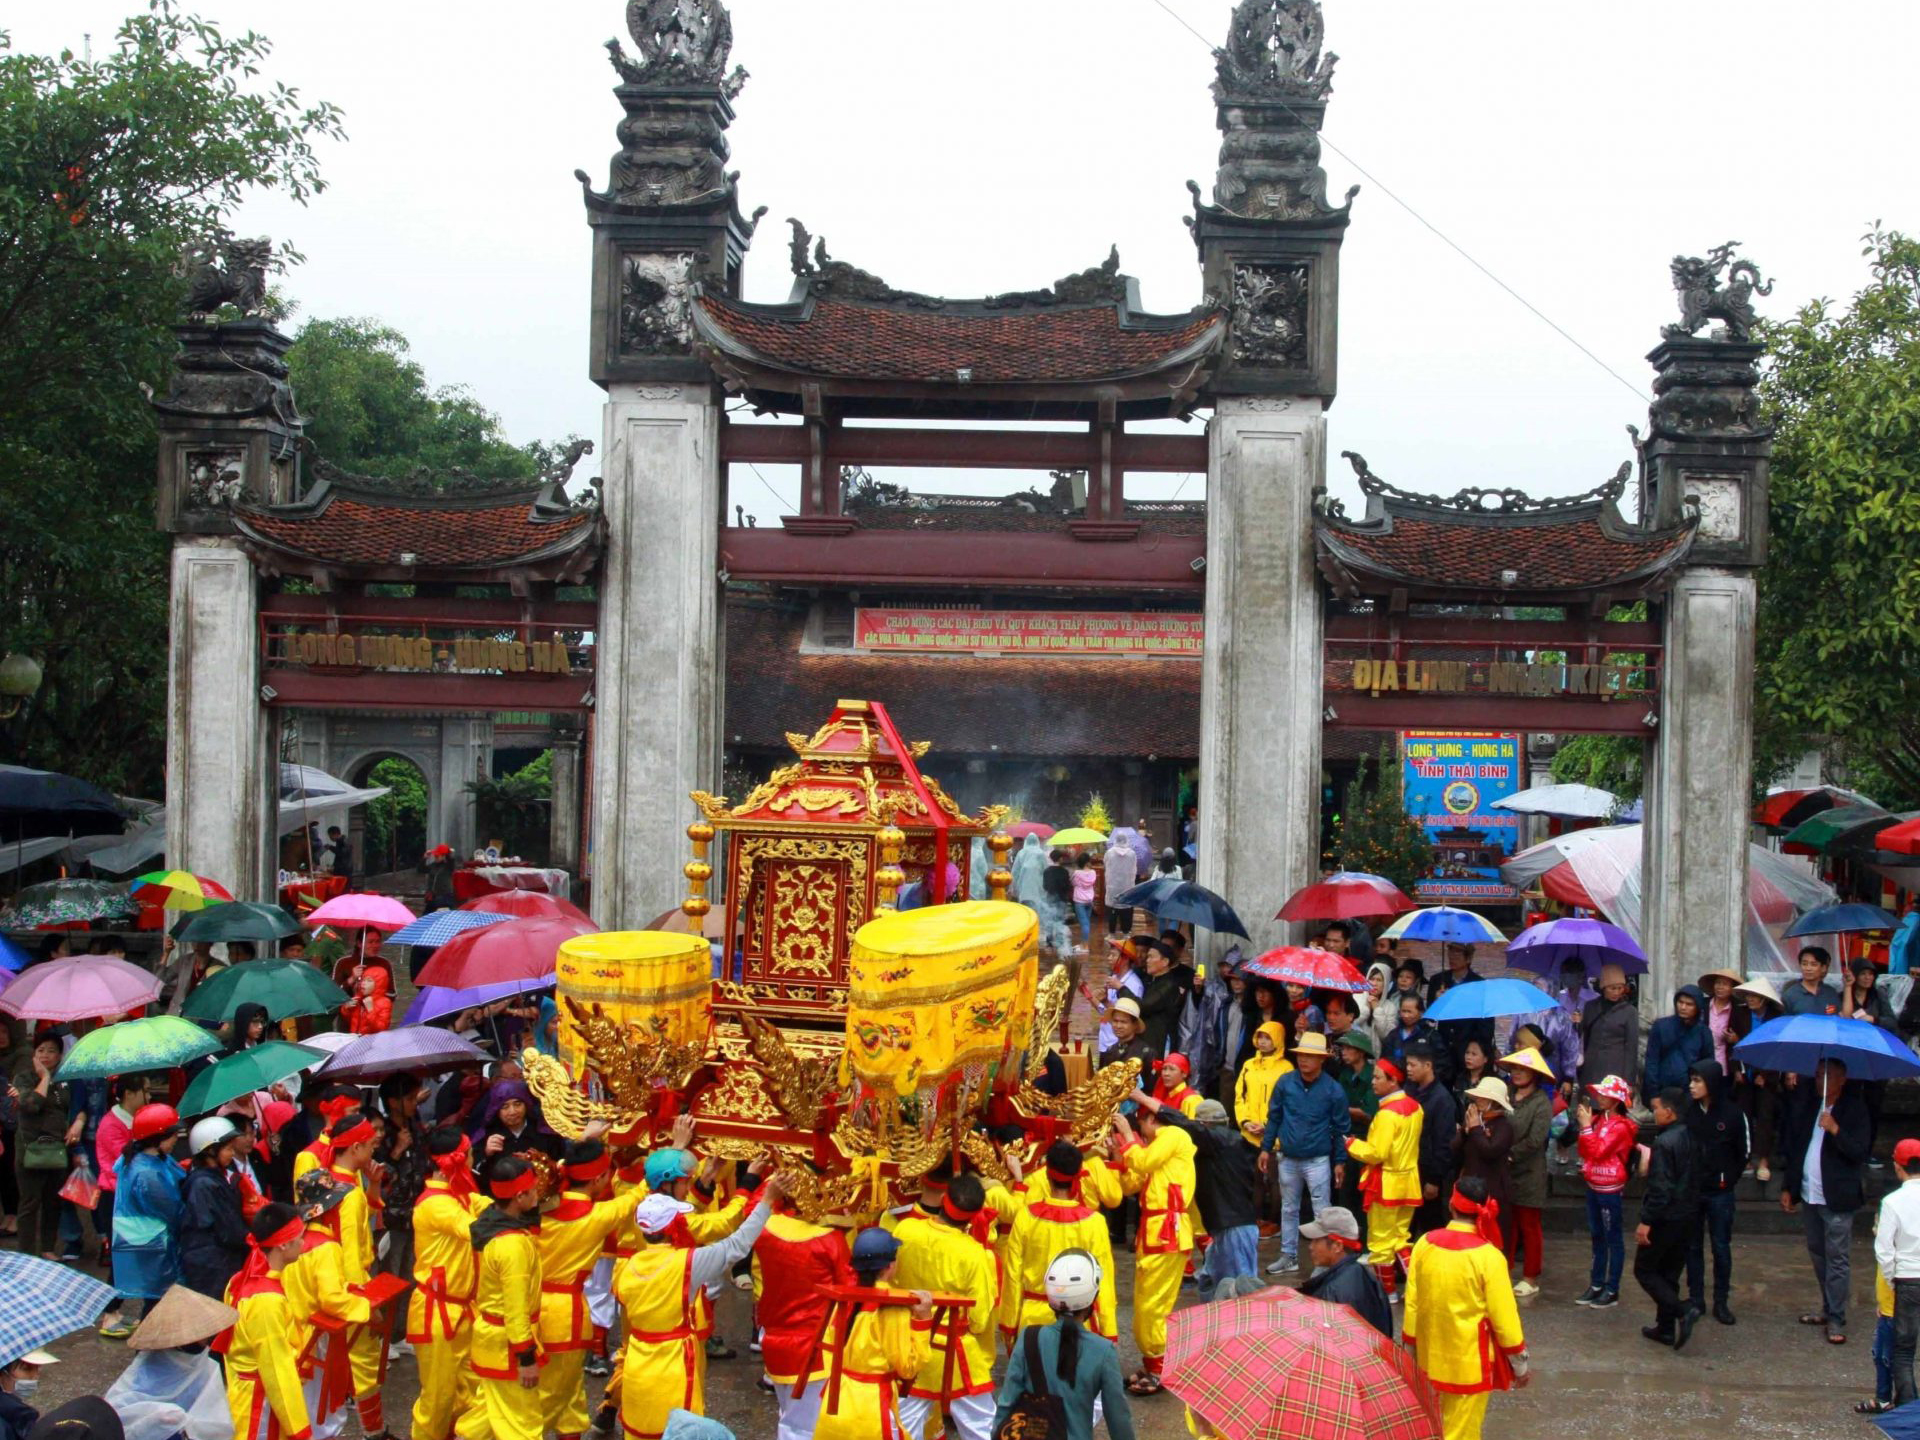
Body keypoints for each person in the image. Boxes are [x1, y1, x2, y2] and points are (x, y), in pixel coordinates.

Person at [613, 1157, 779, 1440]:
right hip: (673, 1365)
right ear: (673, 1226)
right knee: (680, 1430)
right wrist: (766, 1201)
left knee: (639, 1431)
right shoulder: (687, 1264)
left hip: (637, 1365)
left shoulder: (627, 1267)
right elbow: (737, 1244)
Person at [1402, 1176, 1530, 1440]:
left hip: (1429, 1357)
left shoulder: (1425, 1244)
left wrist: (1410, 1350)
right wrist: (1519, 1364)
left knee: (1432, 1429)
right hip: (1470, 1363)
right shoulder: (1489, 1256)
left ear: (1452, 1205)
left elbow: (1412, 1304)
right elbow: (1505, 1319)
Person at [992, 1249, 1135, 1440]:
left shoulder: (1028, 1337)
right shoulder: (1103, 1350)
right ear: (1093, 1298)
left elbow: (1007, 1401)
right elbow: (1118, 1419)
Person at [751, 1183, 855, 1440]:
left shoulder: (765, 1228)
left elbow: (752, 1206)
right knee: (805, 1426)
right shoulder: (830, 1240)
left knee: (788, 1413)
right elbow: (850, 1292)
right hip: (815, 1346)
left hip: (773, 1337)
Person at [811, 1227, 933, 1440]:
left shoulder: (844, 1298)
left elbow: (829, 1344)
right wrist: (923, 1320)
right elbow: (908, 1367)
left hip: (837, 1399)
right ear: (890, 1265)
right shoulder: (892, 1307)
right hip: (872, 1409)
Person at [1782, 1056, 1871, 1344]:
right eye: (1818, 1074)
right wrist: (1789, 1186)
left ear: (1842, 1080)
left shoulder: (1854, 1109)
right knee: (1818, 1253)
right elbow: (1798, 1147)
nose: (1821, 1080)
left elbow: (1859, 1151)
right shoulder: (1811, 1106)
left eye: (1827, 1076)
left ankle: (1837, 1317)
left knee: (1837, 1258)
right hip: (1811, 1193)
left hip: (1837, 1196)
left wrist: (1835, 1130)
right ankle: (1827, 1305)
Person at [456, 1156, 545, 1440]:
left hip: (493, 1337)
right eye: (533, 1189)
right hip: (508, 1343)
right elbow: (515, 1307)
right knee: (522, 1424)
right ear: (519, 1197)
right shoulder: (512, 1245)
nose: (538, 1193)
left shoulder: (492, 1222)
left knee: (488, 1412)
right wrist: (526, 1356)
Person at [1110, 1104, 1195, 1397]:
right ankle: (1153, 1364)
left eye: (1139, 1126)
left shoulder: (1173, 1135)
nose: (1139, 1133)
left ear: (1150, 1119)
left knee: (1152, 1308)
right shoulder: (1156, 1149)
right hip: (1154, 1233)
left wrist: (1127, 1138)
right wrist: (1119, 1155)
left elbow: (1144, 1163)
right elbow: (1130, 1185)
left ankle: (1159, 1369)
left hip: (1166, 1232)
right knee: (1146, 1305)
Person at [409, 1128, 488, 1440]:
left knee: (472, 1389)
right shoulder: (436, 1204)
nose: (473, 1160)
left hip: (461, 1310)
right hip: (438, 1312)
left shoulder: (458, 1195)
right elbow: (475, 1230)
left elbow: (486, 1205)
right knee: (438, 1397)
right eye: (470, 1154)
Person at [282, 1169, 371, 1440]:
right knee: (322, 1412)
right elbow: (331, 1299)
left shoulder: (291, 1242)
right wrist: (365, 1307)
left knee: (302, 1407)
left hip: (291, 1331)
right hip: (316, 1337)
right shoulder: (326, 1246)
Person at [1136, 1096, 1257, 1293]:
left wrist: (1143, 1099)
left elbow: (1186, 1125)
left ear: (1204, 1125)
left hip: (1234, 1227)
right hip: (1226, 1226)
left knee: (1241, 1289)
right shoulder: (1229, 1142)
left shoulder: (1221, 1140)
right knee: (1209, 1284)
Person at [1001, 1142, 1119, 1341]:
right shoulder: (1095, 1222)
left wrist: (1009, 1325)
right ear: (1077, 1177)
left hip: (1033, 1320)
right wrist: (1109, 1331)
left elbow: (1013, 1274)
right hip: (1078, 1321)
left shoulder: (1025, 1216)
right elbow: (1104, 1280)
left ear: (1047, 1175)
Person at [1256, 1032, 1349, 1276]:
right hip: (1288, 1157)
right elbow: (1274, 1117)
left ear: (1322, 1059)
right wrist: (1266, 1148)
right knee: (1288, 1209)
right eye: (1301, 1055)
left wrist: (1340, 1161)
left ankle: (1323, 1263)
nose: (1304, 1060)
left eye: (1310, 1056)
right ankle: (1289, 1256)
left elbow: (1341, 1129)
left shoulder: (1333, 1090)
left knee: (1322, 1213)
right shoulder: (1285, 1083)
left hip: (1318, 1159)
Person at [226, 1201, 313, 1440]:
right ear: (283, 1244)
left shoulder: (239, 1280)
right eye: (299, 1237)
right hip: (262, 1404)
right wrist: (299, 1429)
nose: (303, 1243)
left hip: (246, 1392)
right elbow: (276, 1367)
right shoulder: (267, 1300)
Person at [1342, 1057, 1422, 1301]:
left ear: (1393, 1080)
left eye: (1378, 1077)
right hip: (1409, 1182)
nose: (1373, 1082)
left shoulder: (1387, 1114)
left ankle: (1387, 1293)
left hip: (1386, 1184)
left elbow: (1377, 1153)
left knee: (1380, 1242)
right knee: (1400, 1238)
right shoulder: (1416, 1108)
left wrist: (1351, 1144)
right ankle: (1416, 1288)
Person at [1635, 1088, 1702, 1350]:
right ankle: (1665, 1328)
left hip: (1666, 1217)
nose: (1654, 1113)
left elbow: (1660, 1188)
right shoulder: (1690, 1136)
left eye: (1657, 1108)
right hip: (1687, 1215)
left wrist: (1646, 1220)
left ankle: (1682, 1310)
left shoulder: (1665, 1143)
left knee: (1644, 1269)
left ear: (1669, 1112)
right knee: (1669, 1272)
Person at [1685, 1059, 1749, 1326]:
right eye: (1691, 1080)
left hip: (1720, 1193)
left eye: (1697, 1081)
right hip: (1693, 1191)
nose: (1692, 1086)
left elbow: (1743, 1152)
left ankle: (1721, 1301)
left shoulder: (1733, 1114)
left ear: (1710, 1083)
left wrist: (1727, 1179)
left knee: (1721, 1247)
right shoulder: (1689, 1112)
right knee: (1692, 1247)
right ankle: (1696, 1299)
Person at [113, 1104, 186, 1331]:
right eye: (173, 1135)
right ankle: (147, 1347)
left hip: (145, 1241)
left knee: (155, 1300)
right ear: (158, 1137)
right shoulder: (148, 1174)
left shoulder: (141, 1160)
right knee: (158, 1302)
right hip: (156, 1245)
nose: (176, 1139)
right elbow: (173, 1211)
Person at [13, 1033, 79, 1264]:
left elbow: (74, 1106)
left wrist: (78, 1122)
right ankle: (26, 1252)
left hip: (58, 1147)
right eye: (41, 1050)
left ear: (60, 1055)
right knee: (29, 1203)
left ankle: (48, 1248)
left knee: (53, 1201)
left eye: (51, 1050)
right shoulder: (24, 1078)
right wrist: (44, 1077)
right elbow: (31, 1104)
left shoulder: (66, 1079)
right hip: (30, 1148)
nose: (45, 1055)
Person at [94, 1073, 150, 1338]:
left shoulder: (131, 1120)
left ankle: (115, 1310)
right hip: (115, 1197)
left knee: (131, 1257)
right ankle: (109, 1313)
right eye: (145, 1090)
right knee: (121, 1258)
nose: (149, 1096)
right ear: (129, 1093)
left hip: (128, 1196)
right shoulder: (111, 1124)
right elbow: (126, 1161)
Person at [1501, 1046, 1553, 1299]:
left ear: (1534, 1073)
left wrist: (1510, 1154)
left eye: (1523, 1069)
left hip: (1530, 1172)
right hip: (1504, 1170)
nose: (1517, 1073)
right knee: (1507, 1224)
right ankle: (1504, 1271)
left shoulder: (1542, 1102)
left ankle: (1531, 1277)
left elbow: (1535, 1140)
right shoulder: (1506, 1094)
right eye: (1514, 1068)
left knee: (1529, 1226)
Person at [1873, 1136, 1920, 1406]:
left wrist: (1892, 1281)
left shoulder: (1892, 1202)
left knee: (1903, 1354)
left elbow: (1884, 1250)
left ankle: (1910, 1416)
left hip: (1907, 1280)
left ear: (1897, 1166)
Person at [178, 1116, 247, 1300]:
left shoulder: (211, 1178)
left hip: (215, 1260)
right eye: (228, 1148)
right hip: (212, 1265)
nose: (232, 1153)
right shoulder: (205, 1184)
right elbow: (228, 1227)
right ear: (210, 1151)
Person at [1298, 1205, 1392, 1337]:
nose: (1310, 1246)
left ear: (1337, 1246)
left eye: (1316, 1240)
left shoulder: (1333, 1292)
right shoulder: (1363, 1274)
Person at [1452, 1077, 1516, 1255]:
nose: (1478, 1100)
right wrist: (1465, 1131)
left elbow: (1491, 1151)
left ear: (1494, 1102)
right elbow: (1454, 1148)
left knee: (1492, 1239)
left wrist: (1475, 1130)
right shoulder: (1475, 1120)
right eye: (1478, 1096)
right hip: (1470, 1187)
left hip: (1493, 1191)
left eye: (1484, 1097)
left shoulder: (1504, 1126)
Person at [1843, 957, 1897, 1164]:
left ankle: (1867, 1150)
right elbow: (1844, 1018)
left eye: (1871, 974)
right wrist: (1848, 988)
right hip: (1852, 1056)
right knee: (1850, 1101)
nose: (1867, 978)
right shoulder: (1845, 995)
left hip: (1875, 1054)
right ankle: (1848, 1148)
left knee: (1873, 1104)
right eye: (1863, 974)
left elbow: (1892, 1022)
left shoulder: (1878, 996)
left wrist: (1873, 1019)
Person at [1731, 975, 1785, 1182]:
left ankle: (1763, 1160)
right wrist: (1736, 1069)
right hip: (1745, 1071)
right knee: (1743, 1115)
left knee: (1765, 1117)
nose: (1750, 999)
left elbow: (1778, 1048)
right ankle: (1745, 1157)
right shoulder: (1740, 1014)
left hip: (1767, 1074)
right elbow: (1733, 1043)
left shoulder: (1775, 1018)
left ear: (1764, 999)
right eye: (1748, 996)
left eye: (1754, 996)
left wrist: (1766, 1075)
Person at [1402, 1041, 1458, 1240]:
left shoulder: (1442, 1099)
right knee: (1405, 1228)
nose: (1408, 1069)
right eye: (1407, 1064)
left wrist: (1434, 1179)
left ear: (1428, 1066)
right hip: (1407, 1168)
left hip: (1427, 1172)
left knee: (1431, 1227)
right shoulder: (1408, 1090)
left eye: (1413, 1065)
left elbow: (1444, 1143)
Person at [1427, 944, 1494, 1078]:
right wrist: (1437, 1002)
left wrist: (1476, 1048)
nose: (1452, 958)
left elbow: (1486, 1023)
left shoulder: (1479, 985)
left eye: (1457, 955)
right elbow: (1429, 1018)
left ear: (1468, 959)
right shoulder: (1438, 980)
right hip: (1443, 1050)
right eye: (1450, 954)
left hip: (1467, 1048)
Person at [1579, 964, 1640, 1098]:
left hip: (1616, 1068)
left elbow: (1631, 1047)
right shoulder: (1591, 1007)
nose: (1616, 992)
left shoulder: (1629, 1012)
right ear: (1603, 987)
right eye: (1612, 988)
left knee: (1610, 1104)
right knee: (1590, 1103)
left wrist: (1629, 1081)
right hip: (1591, 1067)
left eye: (1620, 988)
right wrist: (1576, 1023)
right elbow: (1584, 1037)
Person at [1643, 985, 1711, 1094]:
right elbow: (1652, 1061)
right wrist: (1653, 1093)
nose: (1683, 1007)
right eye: (1680, 1002)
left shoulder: (1703, 1032)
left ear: (1697, 1007)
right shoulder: (1661, 1026)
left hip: (1690, 1092)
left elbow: (1708, 1065)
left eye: (1689, 1004)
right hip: (1662, 1090)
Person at [1135, 943, 1188, 1062]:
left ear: (1165, 962)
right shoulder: (1151, 981)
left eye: (1151, 957)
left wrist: (1121, 989)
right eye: (1147, 957)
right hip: (1147, 1041)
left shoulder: (1169, 985)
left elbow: (1145, 1006)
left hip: (1161, 1042)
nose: (1147, 960)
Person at [0, 1348, 54, 1440]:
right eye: (27, 1369)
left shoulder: (14, 1412)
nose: (35, 1376)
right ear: (2, 1372)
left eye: (38, 1367)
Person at [1698, 968, 1742, 1072]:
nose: (1720, 987)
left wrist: (1736, 1039)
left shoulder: (1739, 1010)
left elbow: (1745, 1036)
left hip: (1725, 1063)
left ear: (1732, 988)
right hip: (1701, 1061)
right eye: (1718, 983)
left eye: (1725, 984)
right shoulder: (1703, 1005)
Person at [1782, 945, 1842, 1016]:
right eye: (1804, 964)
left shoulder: (1831, 992)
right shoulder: (1790, 995)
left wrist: (1848, 986)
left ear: (1823, 968)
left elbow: (1839, 1018)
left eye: (1813, 964)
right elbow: (1784, 1021)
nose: (1808, 968)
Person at [341, 967, 393, 1036]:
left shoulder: (384, 1003)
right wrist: (346, 1008)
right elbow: (349, 1020)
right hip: (355, 1037)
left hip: (371, 1040)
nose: (363, 983)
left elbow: (381, 1029)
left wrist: (370, 1011)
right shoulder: (358, 998)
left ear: (379, 983)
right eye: (363, 980)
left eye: (369, 981)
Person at [1103, 835, 1138, 934]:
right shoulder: (1132, 854)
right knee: (1127, 911)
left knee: (1113, 910)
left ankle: (1112, 933)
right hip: (1127, 886)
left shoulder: (1109, 853)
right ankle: (1126, 933)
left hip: (1112, 887)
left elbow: (1106, 865)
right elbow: (1134, 868)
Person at [1070, 854, 1098, 947]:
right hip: (1089, 900)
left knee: (1084, 924)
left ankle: (1085, 945)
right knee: (1086, 922)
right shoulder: (1093, 872)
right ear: (1088, 862)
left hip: (1079, 901)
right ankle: (1084, 943)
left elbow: (1073, 883)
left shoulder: (1076, 873)